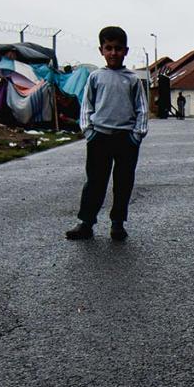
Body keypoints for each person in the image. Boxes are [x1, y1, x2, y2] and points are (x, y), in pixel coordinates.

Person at [66, 25, 149, 241]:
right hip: (99, 138)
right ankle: (86, 222)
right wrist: (89, 132)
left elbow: (141, 109)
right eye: (109, 48)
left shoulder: (132, 80)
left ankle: (117, 223)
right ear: (101, 50)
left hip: (126, 140)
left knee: (123, 183)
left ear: (126, 51)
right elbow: (86, 107)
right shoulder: (95, 77)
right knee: (95, 181)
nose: (114, 53)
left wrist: (136, 135)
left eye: (118, 48)